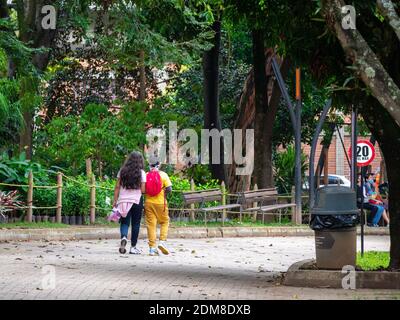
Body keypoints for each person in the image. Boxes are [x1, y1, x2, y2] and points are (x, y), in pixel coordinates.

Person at [113, 151, 146, 254]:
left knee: (124, 222)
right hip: (136, 200)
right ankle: (133, 247)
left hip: (123, 200)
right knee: (136, 224)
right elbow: (143, 190)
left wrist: (115, 200)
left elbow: (117, 187)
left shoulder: (122, 171)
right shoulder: (141, 173)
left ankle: (123, 237)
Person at [144, 157, 172, 256]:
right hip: (160, 203)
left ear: (149, 165)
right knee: (165, 221)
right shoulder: (164, 175)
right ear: (158, 164)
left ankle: (152, 249)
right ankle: (162, 242)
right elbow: (169, 189)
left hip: (148, 203)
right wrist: (162, 190)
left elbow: (143, 190)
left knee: (151, 225)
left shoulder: (146, 175)